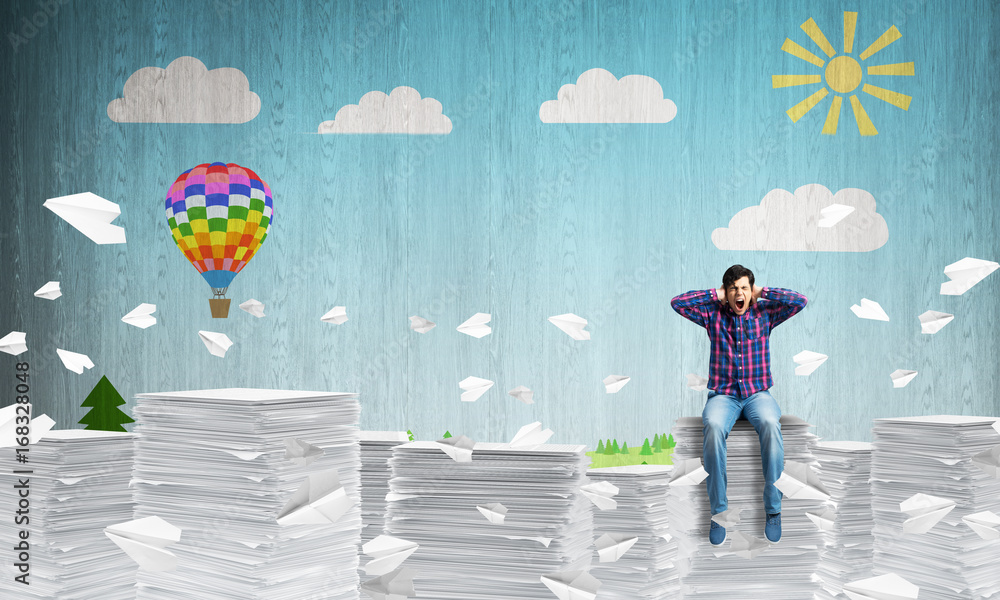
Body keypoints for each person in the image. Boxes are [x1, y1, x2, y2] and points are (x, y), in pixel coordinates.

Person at [670, 265, 807, 545]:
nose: (738, 293)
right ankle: (719, 513)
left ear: (751, 291)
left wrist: (762, 292)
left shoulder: (765, 313)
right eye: (733, 288)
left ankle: (773, 509)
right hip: (724, 394)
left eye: (744, 287)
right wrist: (715, 293)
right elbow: (677, 303)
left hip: (758, 394)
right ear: (726, 292)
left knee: (771, 423)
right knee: (713, 425)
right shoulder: (713, 314)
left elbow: (800, 301)